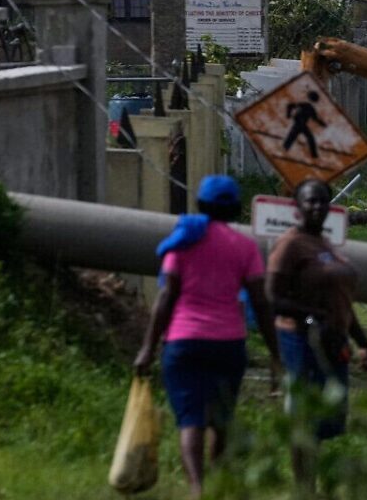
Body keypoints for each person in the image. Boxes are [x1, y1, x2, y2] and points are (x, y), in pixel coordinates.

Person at [134, 176, 280, 499]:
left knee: (191, 420)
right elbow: (260, 302)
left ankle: (197, 488)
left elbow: (166, 297)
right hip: (228, 344)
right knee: (220, 419)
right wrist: (275, 353)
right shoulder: (245, 248)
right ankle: (216, 480)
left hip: (184, 342)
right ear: (234, 209)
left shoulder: (183, 241)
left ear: (201, 205)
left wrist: (147, 348)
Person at [268, 178, 367, 491]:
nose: (316, 206)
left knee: (325, 421)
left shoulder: (325, 244)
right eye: (309, 201)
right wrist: (312, 317)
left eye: (322, 201)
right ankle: (305, 488)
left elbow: (342, 303)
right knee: (304, 418)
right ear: (297, 206)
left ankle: (311, 484)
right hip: (302, 341)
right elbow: (273, 298)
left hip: (332, 341)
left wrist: (363, 344)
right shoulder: (290, 244)